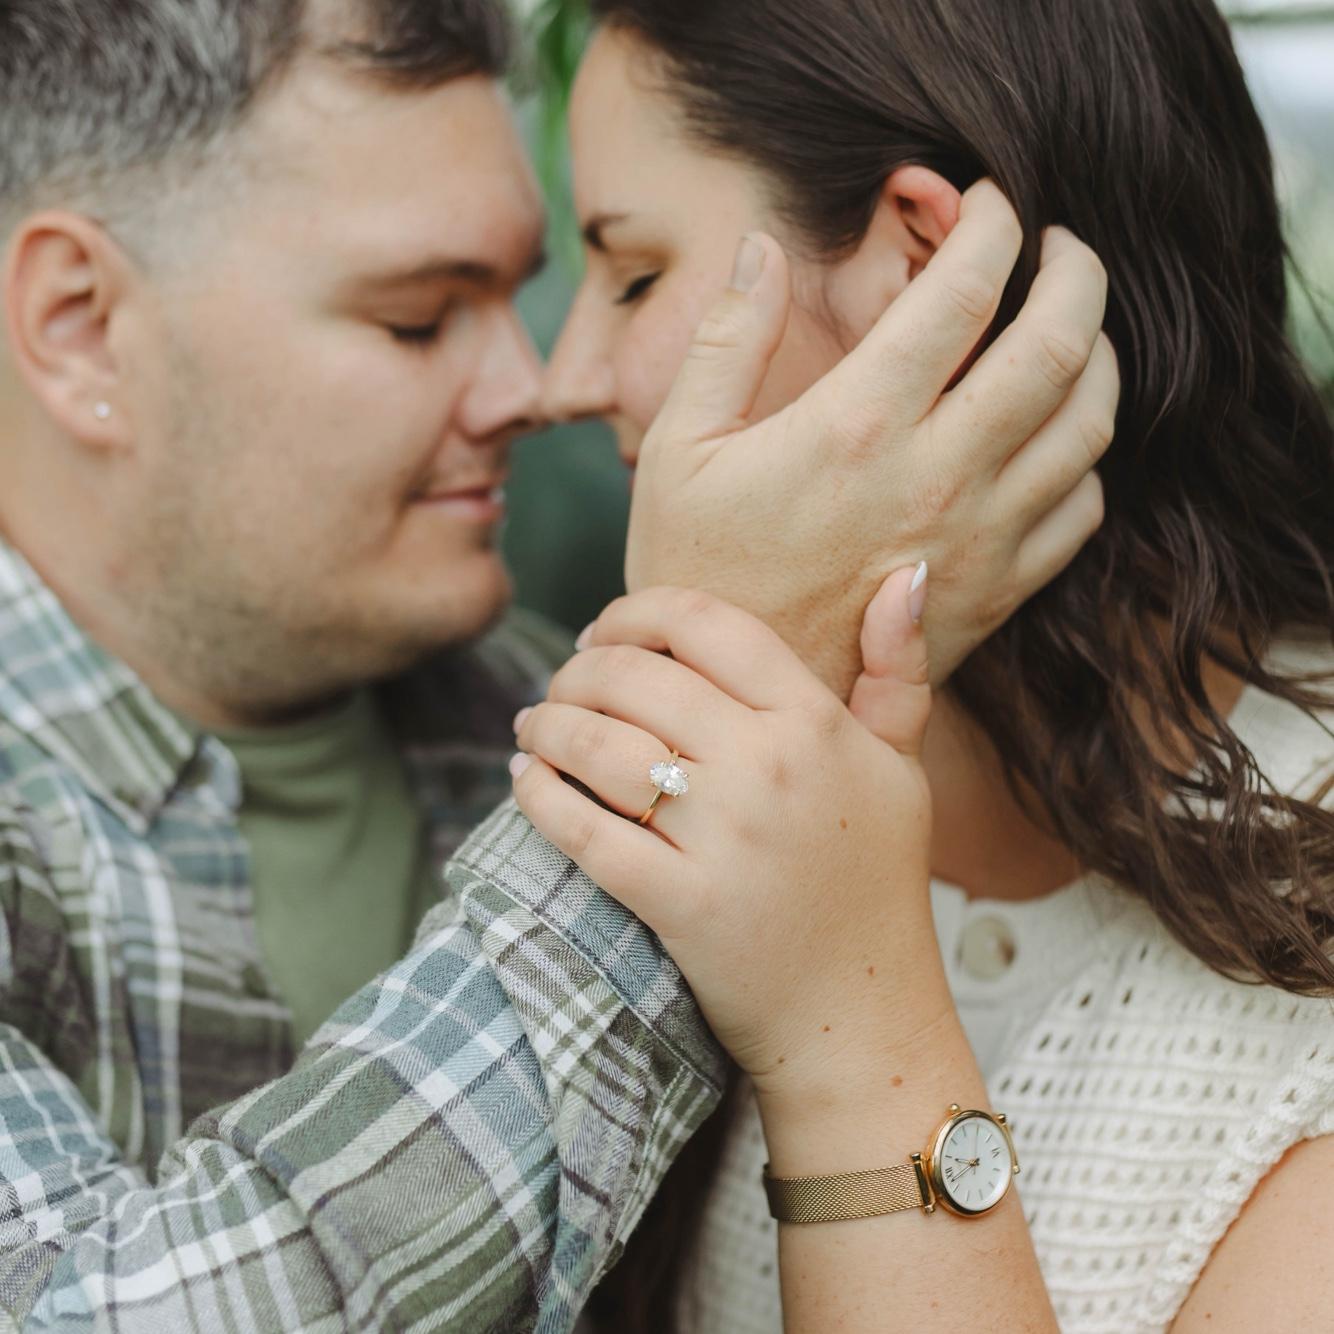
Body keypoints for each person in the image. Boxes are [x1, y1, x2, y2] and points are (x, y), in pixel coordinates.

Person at [0, 0, 1116, 1329]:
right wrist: (703, 704)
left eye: (522, 291)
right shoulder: (628, 726)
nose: (529, 388)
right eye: (418, 318)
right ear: (78, 323)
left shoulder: (523, 701)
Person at [508, 0, 1334, 1330]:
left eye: (637, 272)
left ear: (922, 263)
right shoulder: (669, 789)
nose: (563, 378)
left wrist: (847, 1018)